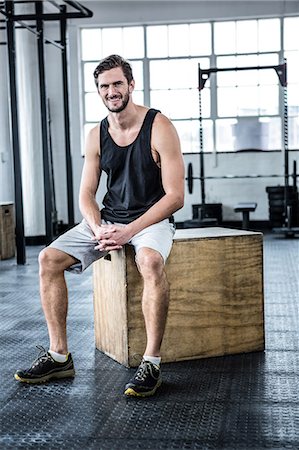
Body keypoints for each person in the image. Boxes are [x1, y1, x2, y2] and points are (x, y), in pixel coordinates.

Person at [14, 54, 185, 397]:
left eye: (117, 83)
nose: (111, 91)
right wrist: (97, 228)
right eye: (104, 86)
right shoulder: (96, 134)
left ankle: (150, 362)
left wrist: (129, 231)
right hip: (108, 219)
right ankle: (59, 355)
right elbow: (86, 194)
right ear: (99, 90)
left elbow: (175, 197)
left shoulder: (159, 126)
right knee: (48, 259)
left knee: (150, 262)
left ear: (131, 84)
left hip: (150, 219)